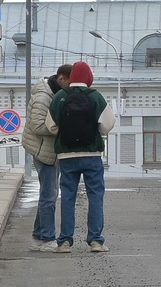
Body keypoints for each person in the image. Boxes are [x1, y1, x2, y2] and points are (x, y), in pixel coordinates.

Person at [49, 59, 111, 253]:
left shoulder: (60, 96)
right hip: (92, 154)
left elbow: (50, 126)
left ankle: (65, 241)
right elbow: (107, 125)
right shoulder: (96, 97)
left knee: (68, 196)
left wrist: (67, 132)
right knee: (95, 196)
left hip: (67, 155)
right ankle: (96, 241)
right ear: (88, 77)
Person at [21, 65, 68, 251]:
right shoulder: (43, 97)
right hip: (43, 150)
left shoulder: (52, 94)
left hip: (48, 150)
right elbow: (38, 127)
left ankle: (38, 236)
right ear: (61, 79)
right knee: (49, 195)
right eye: (69, 82)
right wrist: (62, 128)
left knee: (48, 193)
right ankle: (47, 238)